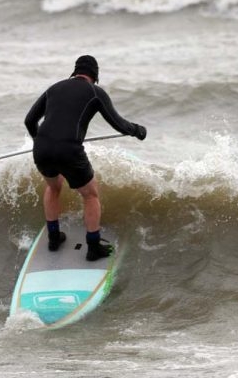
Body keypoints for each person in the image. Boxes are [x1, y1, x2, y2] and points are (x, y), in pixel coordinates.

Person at [24, 55, 147, 261]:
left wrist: (41, 140)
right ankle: (92, 246)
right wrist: (137, 130)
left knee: (53, 187)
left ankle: (54, 237)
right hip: (69, 150)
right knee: (90, 195)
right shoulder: (94, 92)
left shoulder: (54, 88)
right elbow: (118, 124)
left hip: (42, 149)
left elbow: (29, 120)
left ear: (75, 71)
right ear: (95, 75)